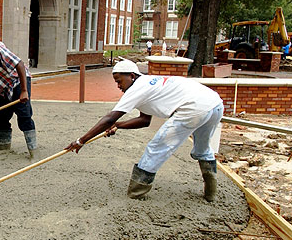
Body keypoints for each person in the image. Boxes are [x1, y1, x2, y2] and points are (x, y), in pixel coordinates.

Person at [65, 60, 224, 202]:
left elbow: (109, 118)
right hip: (215, 104)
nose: (118, 86)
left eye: (119, 81)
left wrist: (81, 141)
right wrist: (118, 125)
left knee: (157, 148)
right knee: (203, 149)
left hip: (194, 108)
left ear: (132, 76)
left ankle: (136, 192)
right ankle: (211, 193)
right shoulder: (149, 83)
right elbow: (144, 120)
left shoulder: (137, 88)